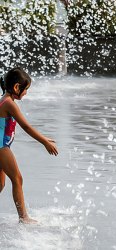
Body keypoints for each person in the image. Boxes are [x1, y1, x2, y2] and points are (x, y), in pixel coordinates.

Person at [0, 67, 58, 224]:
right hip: (1, 148)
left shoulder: (5, 100)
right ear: (16, 87)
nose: (26, 93)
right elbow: (26, 127)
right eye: (25, 89)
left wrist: (44, 137)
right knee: (17, 178)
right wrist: (44, 142)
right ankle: (23, 218)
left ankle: (23, 217)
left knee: (1, 183)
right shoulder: (8, 103)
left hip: (2, 146)